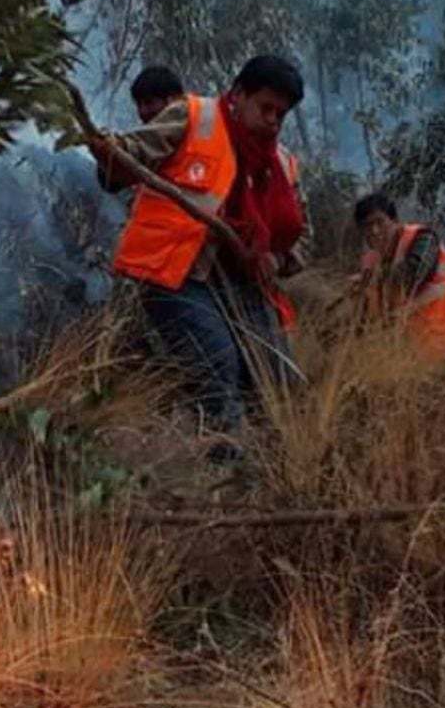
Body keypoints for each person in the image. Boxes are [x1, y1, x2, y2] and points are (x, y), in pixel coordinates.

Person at [88, 55, 309, 442]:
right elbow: (125, 158)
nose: (273, 120)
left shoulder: (284, 164)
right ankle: (225, 459)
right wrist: (105, 148)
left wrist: (277, 258)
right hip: (178, 276)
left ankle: (274, 464)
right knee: (217, 360)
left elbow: (304, 236)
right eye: (266, 108)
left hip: (245, 285)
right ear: (238, 95)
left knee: (275, 376)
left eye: (281, 114)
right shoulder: (193, 117)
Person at [352, 193, 445, 367]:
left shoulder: (423, 239)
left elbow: (411, 276)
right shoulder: (370, 263)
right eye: (367, 227)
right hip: (421, 360)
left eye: (380, 222)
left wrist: (372, 278)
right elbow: (368, 318)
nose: (374, 231)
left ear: (394, 221)